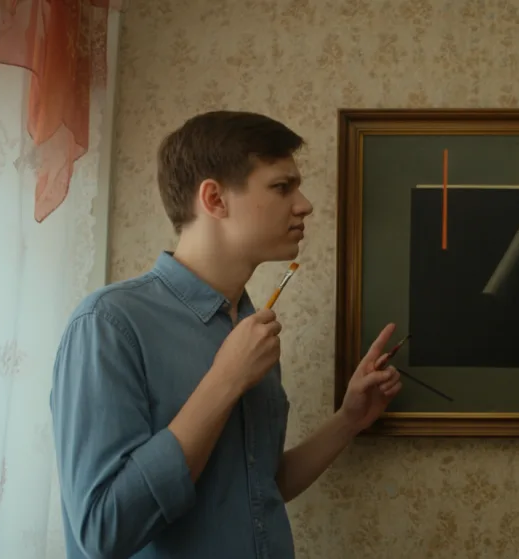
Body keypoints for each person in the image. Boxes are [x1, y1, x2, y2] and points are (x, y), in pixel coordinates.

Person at [50, 110, 403, 559]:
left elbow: (258, 489)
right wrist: (225, 380)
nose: (305, 205)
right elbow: (102, 530)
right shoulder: (108, 324)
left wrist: (349, 419)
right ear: (214, 199)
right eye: (282, 187)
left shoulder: (250, 329)